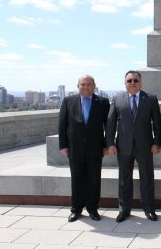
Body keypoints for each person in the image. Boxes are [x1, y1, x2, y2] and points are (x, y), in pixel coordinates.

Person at [106, 70, 161, 222]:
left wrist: (157, 142)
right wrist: (110, 143)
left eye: (135, 80)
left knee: (147, 178)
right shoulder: (117, 99)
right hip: (123, 146)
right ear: (125, 83)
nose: (132, 83)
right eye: (129, 80)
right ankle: (124, 209)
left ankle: (149, 209)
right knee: (124, 179)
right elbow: (110, 123)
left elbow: (157, 123)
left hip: (145, 146)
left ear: (140, 82)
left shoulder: (150, 99)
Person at [58, 75, 110, 222]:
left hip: (95, 148)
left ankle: (93, 209)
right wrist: (63, 145)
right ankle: (76, 209)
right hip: (75, 148)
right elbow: (62, 125)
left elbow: (108, 125)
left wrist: (107, 145)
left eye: (89, 84)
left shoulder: (103, 102)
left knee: (94, 180)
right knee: (77, 179)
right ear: (78, 86)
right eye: (83, 84)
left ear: (94, 85)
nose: (86, 87)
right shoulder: (69, 101)